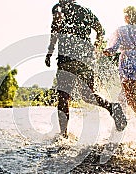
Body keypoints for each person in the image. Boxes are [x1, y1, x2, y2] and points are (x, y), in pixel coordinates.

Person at [45, 0, 126, 138]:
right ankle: (112, 107)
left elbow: (55, 32)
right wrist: (95, 47)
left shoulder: (59, 9)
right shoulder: (84, 11)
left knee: (64, 97)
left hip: (67, 60)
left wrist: (50, 52)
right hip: (85, 59)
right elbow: (100, 30)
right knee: (88, 96)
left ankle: (63, 135)